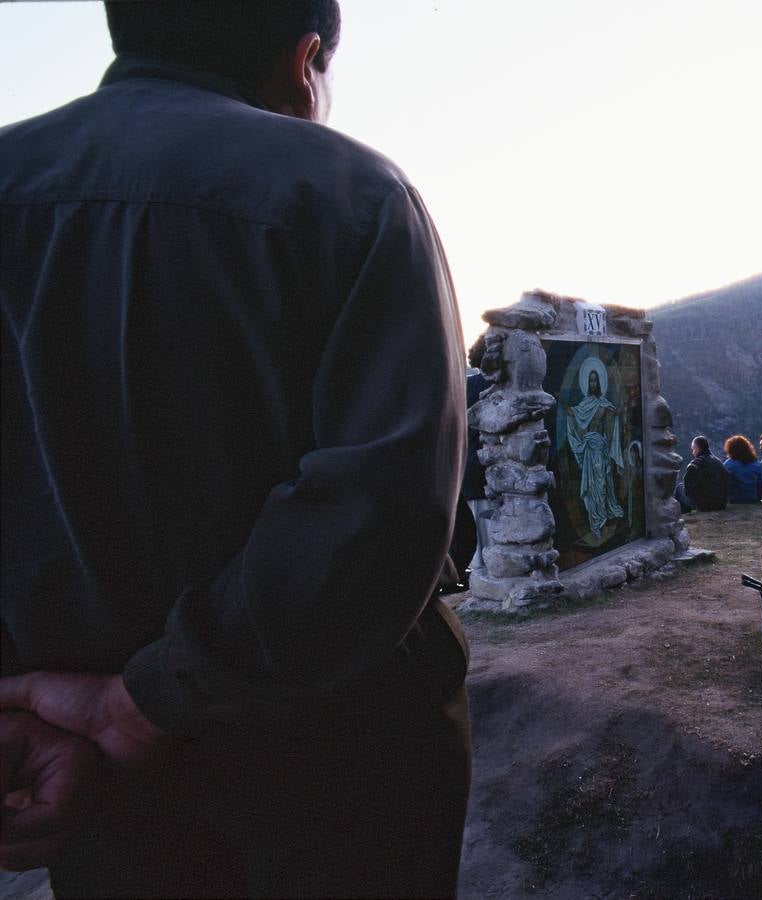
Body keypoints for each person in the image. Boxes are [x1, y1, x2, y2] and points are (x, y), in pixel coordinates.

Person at [0, 3, 473, 894]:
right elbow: (383, 512)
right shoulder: (347, 195)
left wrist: (29, 706)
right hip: (338, 763)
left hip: (83, 767)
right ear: (304, 62)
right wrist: (148, 702)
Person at [561, 363, 625, 537]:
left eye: (595, 380)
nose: (593, 383)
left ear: (599, 383)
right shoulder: (585, 403)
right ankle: (595, 522)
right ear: (587, 383)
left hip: (602, 447)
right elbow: (573, 414)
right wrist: (561, 401)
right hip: (590, 447)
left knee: (603, 484)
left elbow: (615, 415)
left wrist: (619, 409)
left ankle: (603, 517)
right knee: (591, 486)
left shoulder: (604, 403)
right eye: (591, 381)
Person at [462, 334, 493, 576]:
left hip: (467, 464)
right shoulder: (489, 386)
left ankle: (480, 570)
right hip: (485, 465)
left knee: (476, 524)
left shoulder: (466, 385)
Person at [675, 436, 729, 512]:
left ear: (697, 448)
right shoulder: (718, 462)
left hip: (705, 505)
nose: (693, 452)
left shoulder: (696, 464)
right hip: (721, 504)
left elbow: (687, 486)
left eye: (693, 449)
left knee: (679, 488)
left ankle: (684, 514)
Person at [722, 435, 762, 504]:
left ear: (730, 449)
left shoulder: (728, 464)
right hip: (752, 498)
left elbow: (723, 483)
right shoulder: (757, 464)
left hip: (733, 499)